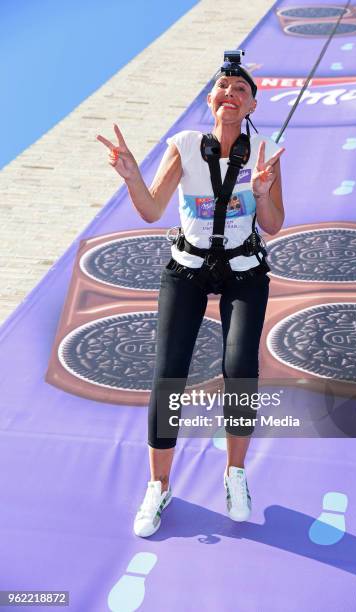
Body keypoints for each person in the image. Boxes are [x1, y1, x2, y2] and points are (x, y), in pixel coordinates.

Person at [97, 51, 285, 538]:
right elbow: (151, 208)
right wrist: (133, 176)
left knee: (240, 367)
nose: (230, 94)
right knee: (168, 375)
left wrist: (263, 193)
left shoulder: (266, 149)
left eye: (240, 90)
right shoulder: (182, 144)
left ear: (251, 105)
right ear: (210, 99)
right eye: (223, 87)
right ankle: (159, 486)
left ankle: (235, 474)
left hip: (244, 269)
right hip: (188, 268)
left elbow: (274, 224)